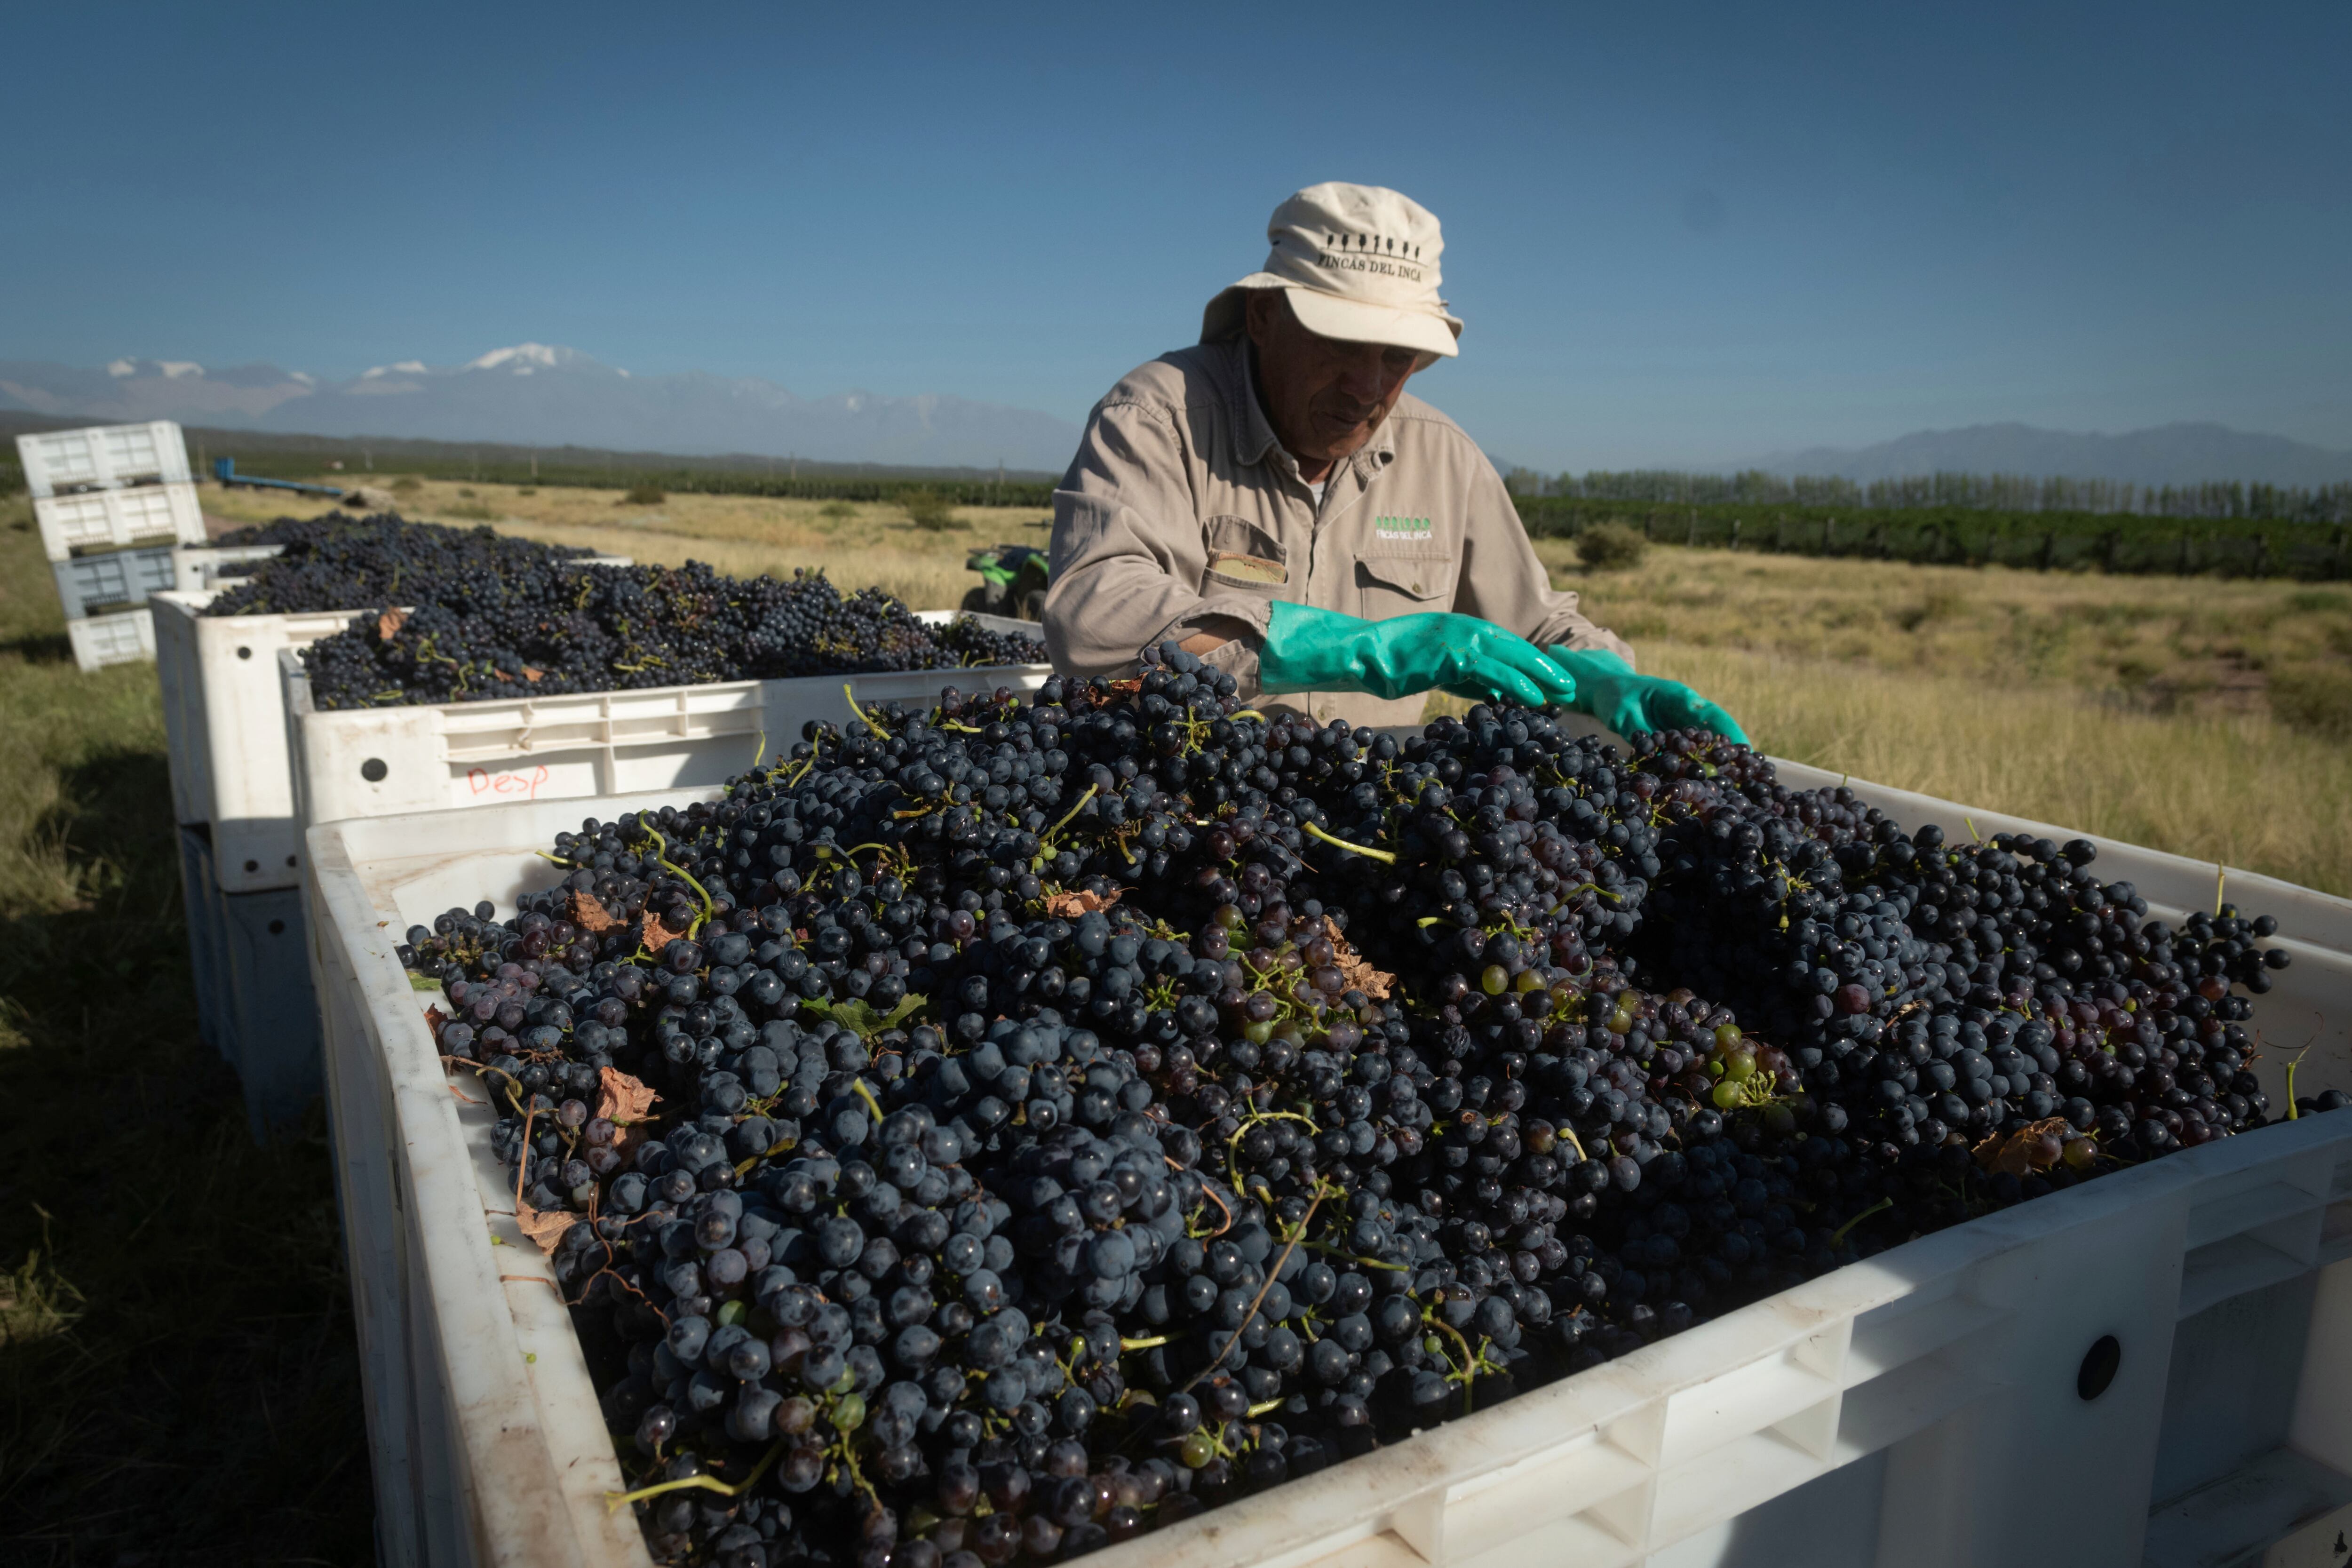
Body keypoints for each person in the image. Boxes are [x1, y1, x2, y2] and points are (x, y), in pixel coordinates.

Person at [1042, 181, 1746, 742]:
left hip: (1347, 845)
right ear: (1262, 320)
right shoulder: (1158, 417)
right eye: (1341, 345)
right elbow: (1094, 617)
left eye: (1399, 357)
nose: (1369, 386)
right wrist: (1352, 647)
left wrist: (1599, 678)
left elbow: (1532, 629)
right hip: (1162, 815)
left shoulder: (1446, 459)